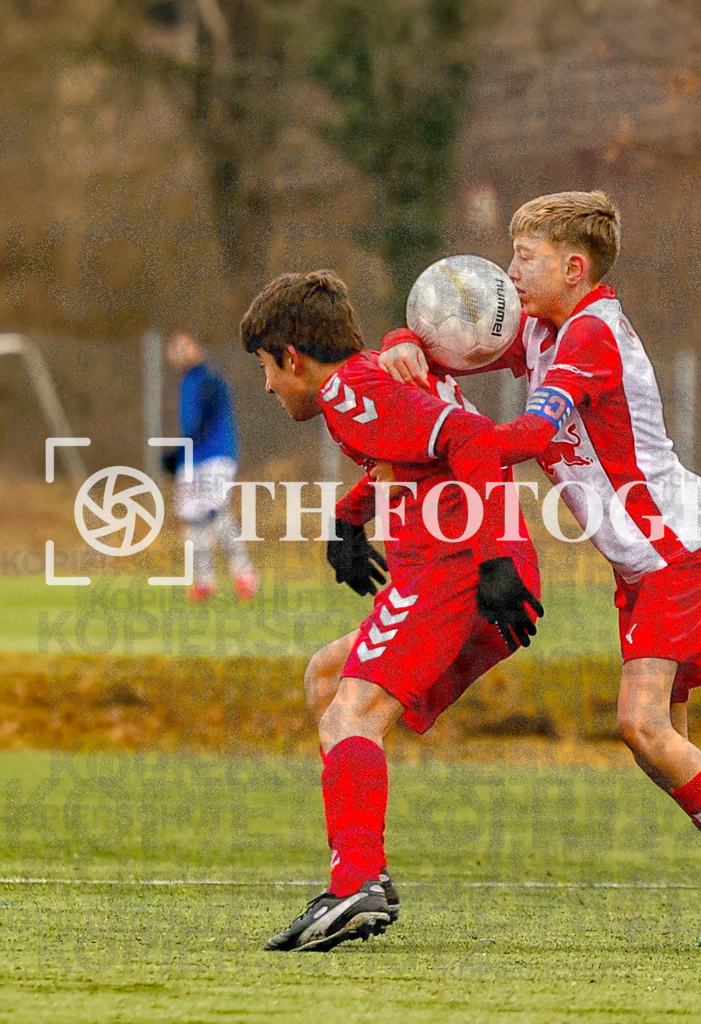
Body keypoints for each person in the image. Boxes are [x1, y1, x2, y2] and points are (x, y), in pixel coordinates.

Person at [380, 190, 701, 954]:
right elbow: (458, 339)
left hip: (671, 553)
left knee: (642, 725)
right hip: (646, 563)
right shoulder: (549, 328)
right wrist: (405, 342)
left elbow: (529, 431)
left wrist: (457, 436)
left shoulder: (590, 335)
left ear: (574, 267)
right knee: (663, 742)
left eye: (525, 258)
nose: (509, 271)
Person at [239, 269, 543, 953]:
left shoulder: (356, 394)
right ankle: (362, 873)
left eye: (266, 367)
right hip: (461, 571)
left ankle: (356, 885)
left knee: (353, 713)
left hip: (455, 572)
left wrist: (493, 560)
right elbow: (411, 457)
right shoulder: (372, 381)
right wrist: (349, 521)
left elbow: (470, 439)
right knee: (327, 680)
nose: (267, 385)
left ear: (293, 356)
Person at [165, 332, 258, 602]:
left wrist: (178, 450)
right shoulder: (186, 383)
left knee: (214, 511)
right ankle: (204, 581)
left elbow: (202, 423)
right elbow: (190, 427)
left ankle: (245, 575)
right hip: (192, 459)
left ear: (197, 348)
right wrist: (178, 456)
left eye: (185, 346)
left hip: (217, 455)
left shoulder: (210, 379)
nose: (180, 352)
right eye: (175, 349)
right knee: (192, 518)